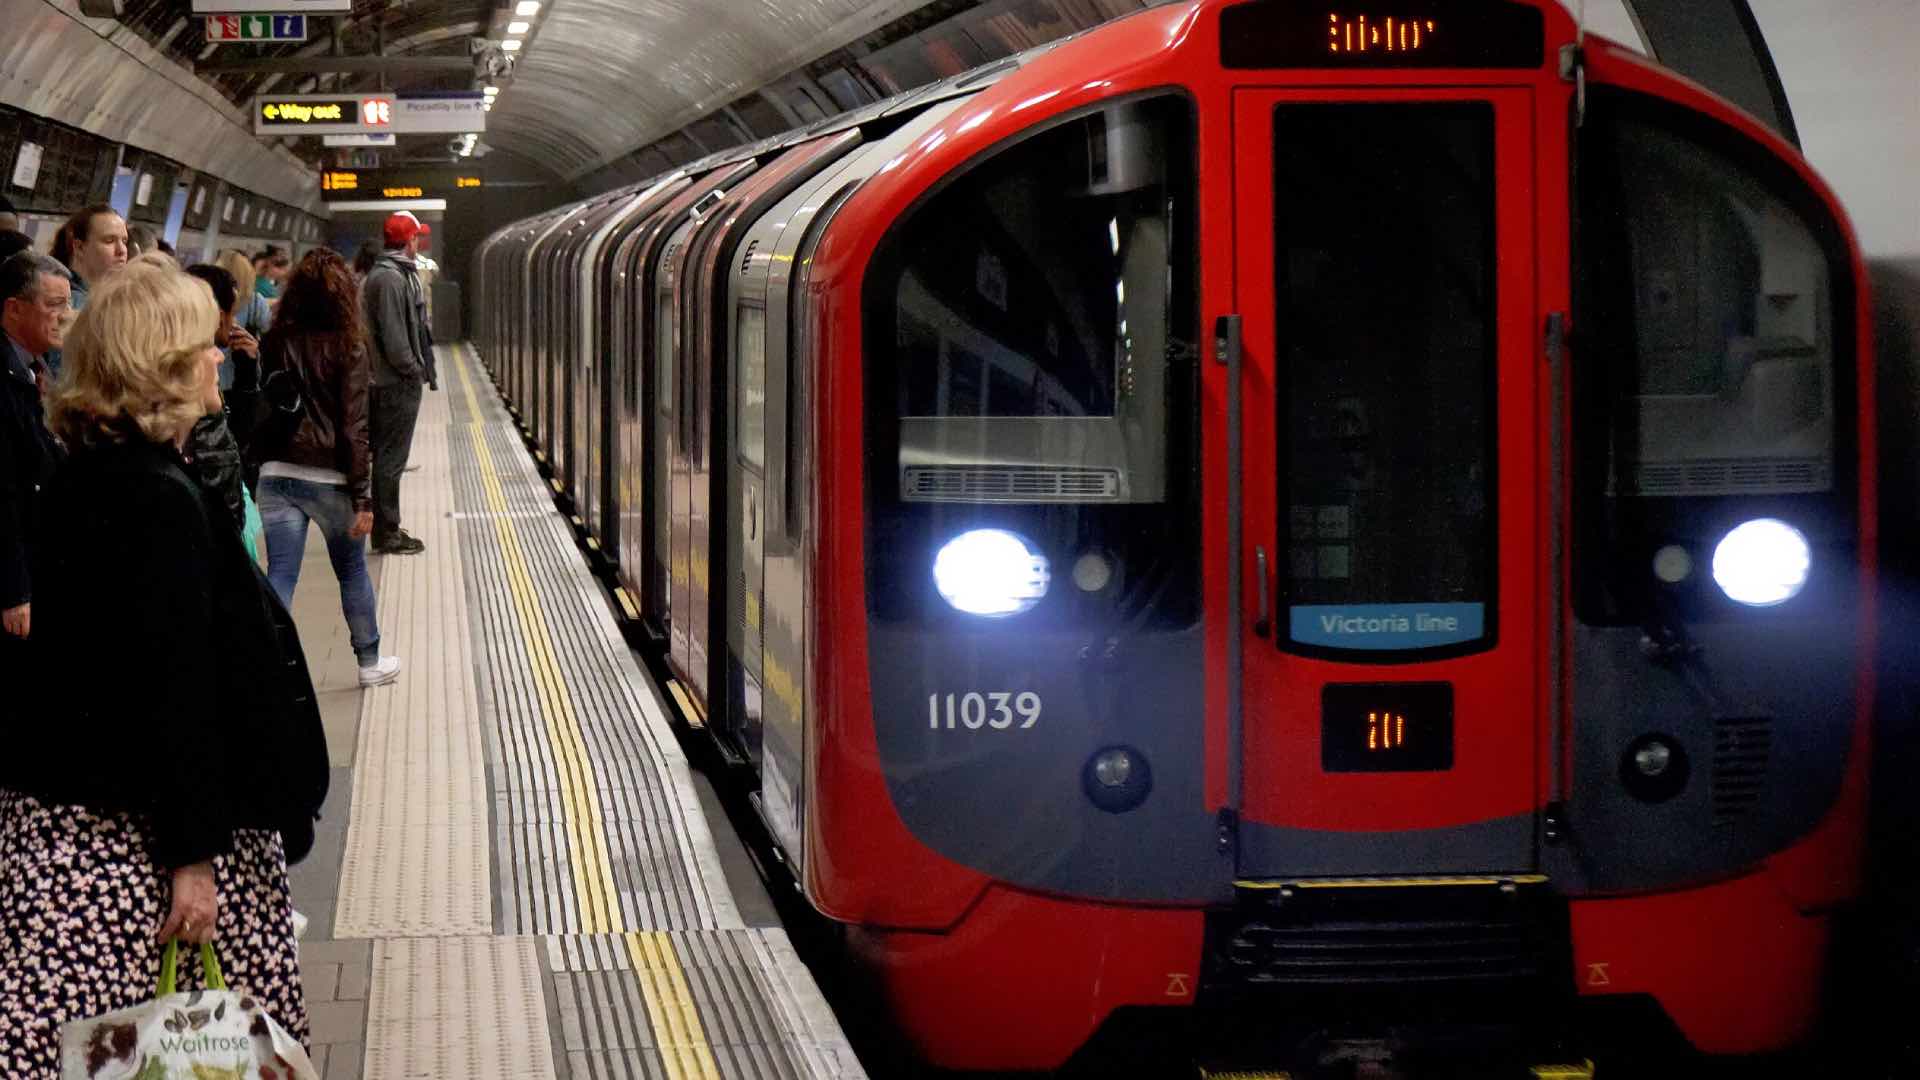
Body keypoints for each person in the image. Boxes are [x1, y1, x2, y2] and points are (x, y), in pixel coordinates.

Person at [0, 265, 327, 1076]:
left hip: (85, 821)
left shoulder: (92, 469)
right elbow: (173, 687)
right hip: (134, 843)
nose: (219, 357)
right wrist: (193, 859)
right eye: (203, 347)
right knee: (163, 1044)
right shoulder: (152, 497)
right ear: (164, 364)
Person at [256, 250, 400, 687]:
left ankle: (265, 667)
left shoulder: (276, 339)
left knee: (281, 573)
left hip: (276, 472)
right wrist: (363, 497)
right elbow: (354, 427)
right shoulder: (349, 345)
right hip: (330, 479)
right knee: (352, 570)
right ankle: (369, 663)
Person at [0, 252, 69, 677]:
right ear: (14, 308)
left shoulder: (29, 369)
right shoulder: (4, 380)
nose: (63, 316)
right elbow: (4, 489)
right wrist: (14, 591)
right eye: (53, 305)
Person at [361, 212, 434, 555]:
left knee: (388, 459)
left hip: (391, 380)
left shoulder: (390, 274)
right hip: (394, 382)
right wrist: (413, 368)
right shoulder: (390, 279)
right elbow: (394, 336)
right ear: (409, 241)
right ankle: (387, 532)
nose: (419, 242)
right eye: (417, 237)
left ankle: (387, 526)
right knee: (391, 460)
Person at [46, 205, 128, 378]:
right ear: (80, 247)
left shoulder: (106, 302)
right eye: (109, 241)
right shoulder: (65, 303)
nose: (122, 250)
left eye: (124, 241)